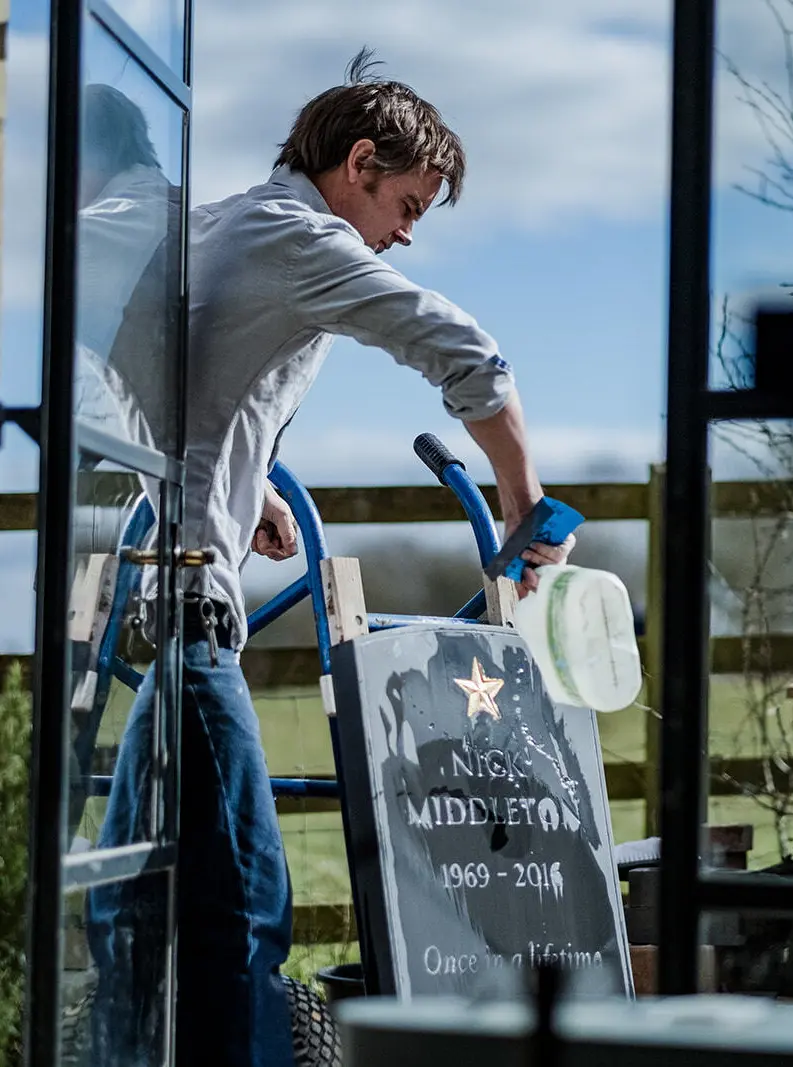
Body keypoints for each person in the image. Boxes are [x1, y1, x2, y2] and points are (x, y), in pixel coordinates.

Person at [87, 49, 575, 1067]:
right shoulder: (297, 236)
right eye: (406, 204)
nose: (404, 233)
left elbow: (164, 381)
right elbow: (459, 346)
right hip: (193, 617)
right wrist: (523, 499)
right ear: (357, 162)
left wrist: (248, 474)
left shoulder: (218, 223)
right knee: (243, 908)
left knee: (135, 903)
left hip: (171, 598)